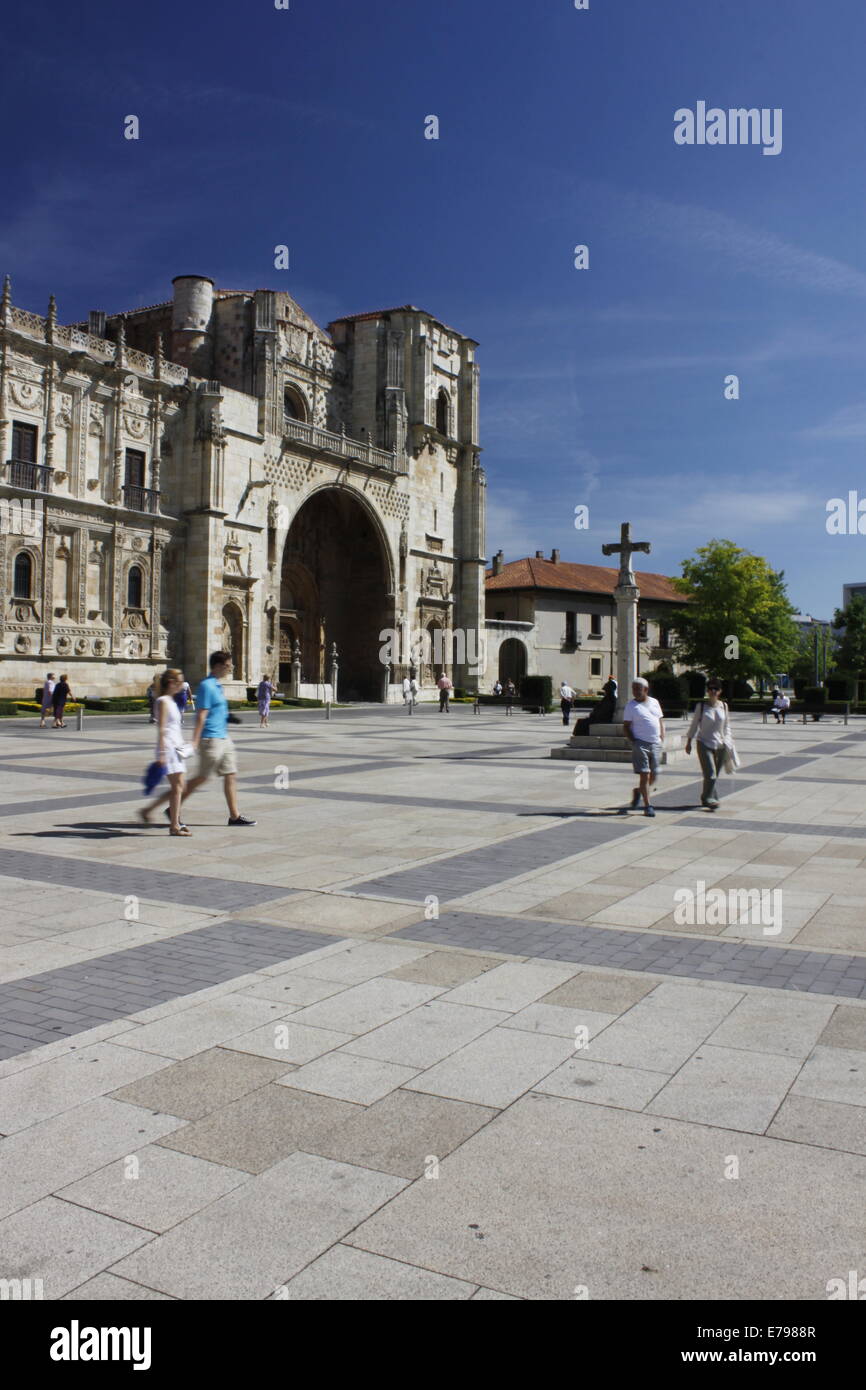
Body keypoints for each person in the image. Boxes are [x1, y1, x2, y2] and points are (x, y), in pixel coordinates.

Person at [141, 651, 256, 828]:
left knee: (231, 774)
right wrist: (195, 741)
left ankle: (234, 816)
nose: (231, 668)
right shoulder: (206, 686)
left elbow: (216, 711)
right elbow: (201, 715)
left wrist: (228, 717)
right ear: (218, 666)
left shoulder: (218, 685)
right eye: (228, 665)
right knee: (200, 778)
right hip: (210, 738)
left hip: (223, 737)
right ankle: (169, 809)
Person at [153, 669, 192, 836]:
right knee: (177, 786)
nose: (182, 685)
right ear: (171, 683)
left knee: (180, 787)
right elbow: (162, 728)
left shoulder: (171, 701)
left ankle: (175, 820)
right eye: (180, 682)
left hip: (177, 748)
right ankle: (175, 825)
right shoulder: (163, 701)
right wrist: (162, 753)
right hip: (168, 749)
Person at [623, 677, 665, 817]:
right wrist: (634, 741)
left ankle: (638, 791)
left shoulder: (655, 702)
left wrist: (662, 737)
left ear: (646, 690)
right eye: (633, 689)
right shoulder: (631, 706)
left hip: (656, 743)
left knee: (654, 776)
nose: (635, 692)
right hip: (640, 743)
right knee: (645, 775)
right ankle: (648, 806)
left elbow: (660, 720)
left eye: (638, 689)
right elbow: (626, 726)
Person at [685, 680, 729, 810]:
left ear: (720, 691)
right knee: (711, 774)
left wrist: (728, 741)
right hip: (704, 742)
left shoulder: (724, 706)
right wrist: (689, 742)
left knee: (714, 775)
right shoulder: (702, 706)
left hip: (721, 744)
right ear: (707, 691)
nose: (713, 691)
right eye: (710, 689)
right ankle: (709, 799)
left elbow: (727, 726)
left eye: (716, 689)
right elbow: (694, 725)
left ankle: (707, 797)